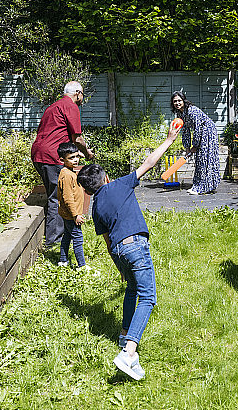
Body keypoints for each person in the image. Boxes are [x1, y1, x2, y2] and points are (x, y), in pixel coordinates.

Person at [77, 121, 182, 380]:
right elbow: (149, 163)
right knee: (148, 297)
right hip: (136, 246)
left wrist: (120, 268)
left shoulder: (95, 208)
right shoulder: (119, 185)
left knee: (132, 288)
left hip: (121, 253)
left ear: (89, 190)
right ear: (106, 178)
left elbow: (107, 242)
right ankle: (130, 352)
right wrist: (169, 140)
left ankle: (124, 333)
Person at [31, 81, 95, 250]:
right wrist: (87, 152)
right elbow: (77, 138)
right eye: (82, 95)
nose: (82, 98)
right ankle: (54, 243)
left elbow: (57, 134)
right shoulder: (71, 106)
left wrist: (73, 153)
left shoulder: (53, 106)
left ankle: (59, 236)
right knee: (58, 198)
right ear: (78, 93)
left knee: (55, 194)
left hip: (39, 154)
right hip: (52, 156)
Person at [170, 91, 220, 195]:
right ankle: (203, 185)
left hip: (208, 132)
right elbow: (186, 130)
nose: (177, 103)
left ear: (184, 100)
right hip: (201, 132)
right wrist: (187, 147)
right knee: (200, 159)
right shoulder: (180, 113)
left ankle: (202, 187)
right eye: (175, 101)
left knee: (204, 158)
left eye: (179, 100)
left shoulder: (192, 111)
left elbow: (198, 128)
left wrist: (195, 146)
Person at [56, 142, 90, 270]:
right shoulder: (66, 175)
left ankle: (63, 260)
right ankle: (82, 266)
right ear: (62, 160)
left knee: (68, 236)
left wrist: (77, 153)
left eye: (77, 156)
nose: (76, 160)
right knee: (78, 239)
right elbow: (67, 197)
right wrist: (76, 215)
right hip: (71, 215)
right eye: (71, 158)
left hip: (68, 214)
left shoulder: (69, 171)